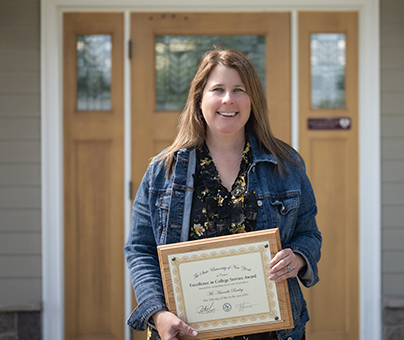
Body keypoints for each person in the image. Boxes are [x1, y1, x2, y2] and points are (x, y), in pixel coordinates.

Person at [124, 48, 321, 340]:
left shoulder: (287, 165)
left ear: (253, 100)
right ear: (199, 99)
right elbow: (140, 250)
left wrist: (299, 258)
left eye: (239, 90)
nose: (228, 99)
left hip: (273, 333)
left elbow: (309, 234)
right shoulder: (161, 171)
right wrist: (158, 313)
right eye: (218, 89)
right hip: (189, 333)